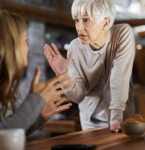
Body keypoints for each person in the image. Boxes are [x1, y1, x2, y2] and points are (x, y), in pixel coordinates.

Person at [44, 0, 135, 132]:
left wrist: (116, 120)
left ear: (106, 23)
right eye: (76, 20)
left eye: (86, 20)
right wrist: (62, 75)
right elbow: (78, 95)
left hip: (121, 120)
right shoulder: (74, 48)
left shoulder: (122, 33)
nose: (79, 27)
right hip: (90, 124)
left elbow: (119, 78)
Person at [0, 11, 73, 136]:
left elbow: (8, 131)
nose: (28, 48)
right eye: (25, 41)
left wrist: (39, 117)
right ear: (10, 46)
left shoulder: (3, 86)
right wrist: (35, 100)